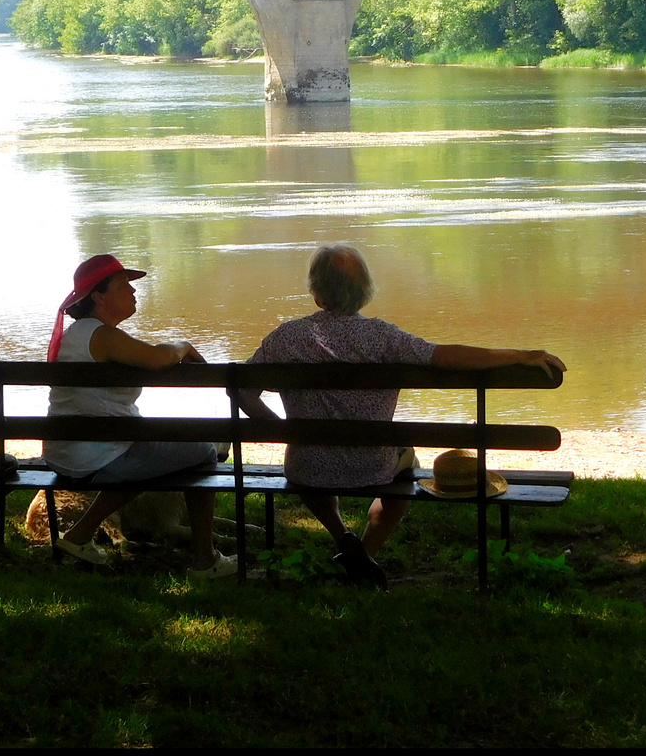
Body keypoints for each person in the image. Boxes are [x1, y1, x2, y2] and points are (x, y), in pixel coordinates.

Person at [237, 244, 565, 587]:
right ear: (365, 293)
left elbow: (241, 389)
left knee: (308, 459)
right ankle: (365, 551)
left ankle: (344, 540)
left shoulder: (287, 337)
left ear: (317, 295)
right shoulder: (383, 337)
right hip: (372, 466)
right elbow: (444, 356)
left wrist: (285, 432)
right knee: (407, 460)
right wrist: (519, 355)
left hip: (308, 466)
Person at [44, 253, 236, 581]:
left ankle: (78, 535)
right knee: (203, 452)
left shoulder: (81, 336)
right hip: (95, 456)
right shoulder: (100, 336)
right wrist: (184, 345)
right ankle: (205, 560)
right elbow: (159, 358)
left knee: (156, 453)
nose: (133, 292)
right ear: (98, 297)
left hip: (67, 452)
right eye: (123, 286)